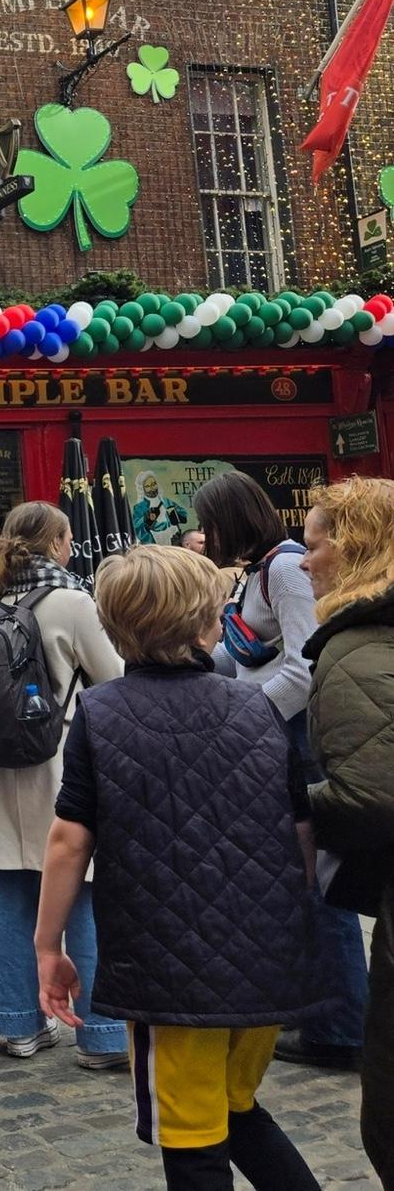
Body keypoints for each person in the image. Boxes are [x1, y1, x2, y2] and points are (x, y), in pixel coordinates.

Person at [36, 545, 320, 1191]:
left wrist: (48, 944)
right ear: (203, 625)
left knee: (193, 1136)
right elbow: (300, 828)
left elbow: (69, 840)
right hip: (265, 959)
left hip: (170, 973)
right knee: (237, 1108)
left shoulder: (101, 715)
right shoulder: (257, 707)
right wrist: (293, 921)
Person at [195, 468, 368, 1072]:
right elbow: (244, 656)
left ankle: (341, 1028)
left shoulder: (287, 570)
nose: (205, 535)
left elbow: (303, 668)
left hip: (291, 740)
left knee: (317, 883)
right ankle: (322, 1010)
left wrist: (241, 721)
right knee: (296, 881)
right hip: (276, 736)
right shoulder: (263, 569)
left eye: (209, 523)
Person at [0, 501, 128, 1067]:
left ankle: (18, 1024)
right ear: (59, 543)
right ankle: (102, 1033)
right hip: (60, 759)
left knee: (12, 890)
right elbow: (115, 678)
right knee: (81, 888)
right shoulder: (71, 600)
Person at [299, 476, 394, 1186]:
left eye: (316, 543)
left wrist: (284, 804)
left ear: (355, 547)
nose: (305, 560)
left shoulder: (357, 645)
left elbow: (371, 796)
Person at [132, 471, 189, 546]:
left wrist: (176, 515)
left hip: (173, 538)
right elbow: (137, 527)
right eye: (148, 486)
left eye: (154, 484)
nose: (152, 488)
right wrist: (146, 520)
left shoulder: (166, 501)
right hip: (155, 542)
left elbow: (183, 513)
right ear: (142, 489)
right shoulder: (139, 507)